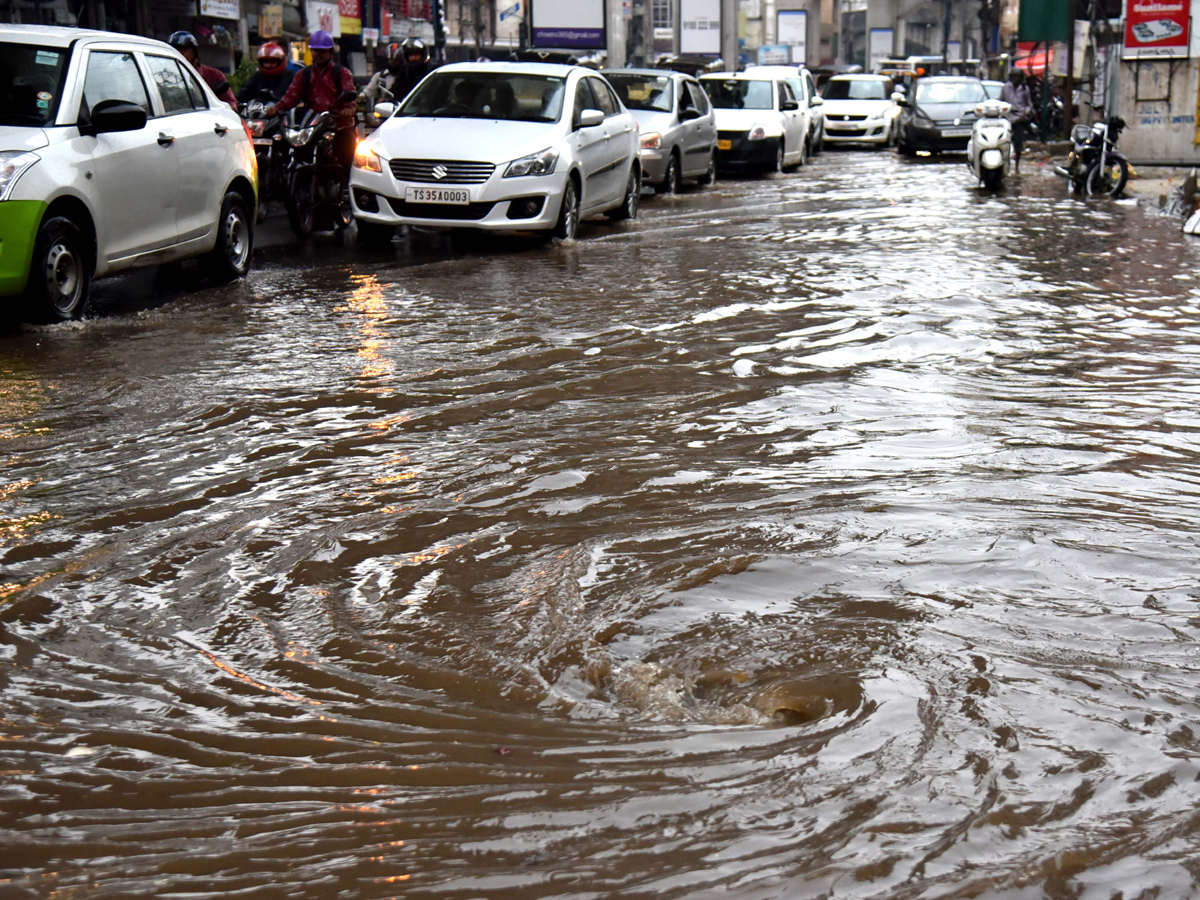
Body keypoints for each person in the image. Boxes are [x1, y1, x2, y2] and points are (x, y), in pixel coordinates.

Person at [264, 30, 357, 183]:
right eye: (315, 50)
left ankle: (348, 188)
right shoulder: (303, 74)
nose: (318, 54)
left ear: (330, 52)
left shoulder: (341, 73)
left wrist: (349, 109)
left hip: (337, 124)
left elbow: (349, 92)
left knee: (348, 156)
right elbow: (291, 96)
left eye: (322, 51)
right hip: (311, 125)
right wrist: (277, 108)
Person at [168, 31, 237, 110]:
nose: (179, 53)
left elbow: (231, 104)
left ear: (194, 51)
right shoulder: (166, 76)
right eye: (175, 50)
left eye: (184, 49)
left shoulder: (214, 75)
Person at [1000, 68, 1033, 173]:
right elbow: (1000, 101)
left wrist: (1025, 113)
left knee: (1018, 143)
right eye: (1013, 76)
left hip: (1019, 118)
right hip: (1007, 117)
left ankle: (1016, 166)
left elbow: (1029, 105)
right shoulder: (1005, 88)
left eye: (1017, 76)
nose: (1015, 78)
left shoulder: (1024, 89)